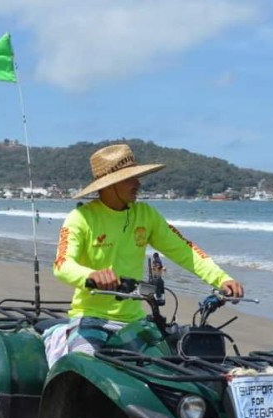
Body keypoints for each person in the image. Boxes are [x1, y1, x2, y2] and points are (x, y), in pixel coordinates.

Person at [49, 143, 243, 363]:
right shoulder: (82, 218)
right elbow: (62, 265)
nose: (138, 183)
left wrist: (222, 279)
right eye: (130, 178)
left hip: (135, 322)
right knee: (82, 367)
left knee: (170, 370)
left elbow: (184, 250)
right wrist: (90, 276)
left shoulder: (146, 215)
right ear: (110, 184)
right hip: (91, 319)